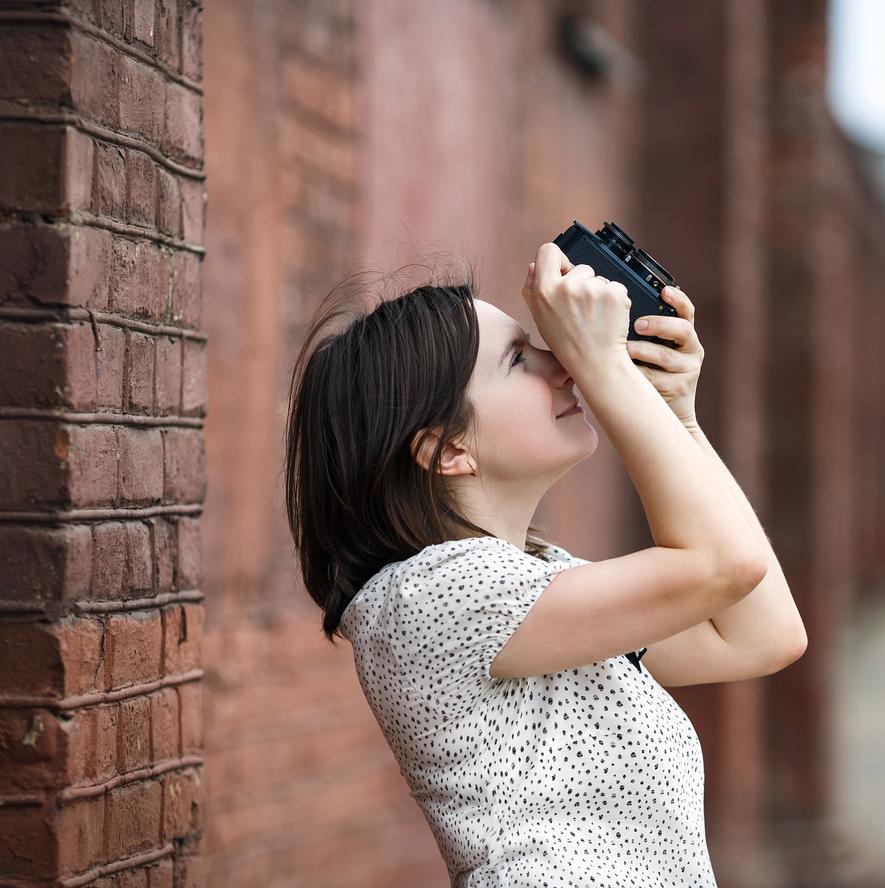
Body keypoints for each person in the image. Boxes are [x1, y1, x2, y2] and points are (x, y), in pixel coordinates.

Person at [283, 242, 807, 886]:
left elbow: (762, 634)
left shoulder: (539, 582)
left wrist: (678, 418)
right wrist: (607, 367)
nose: (564, 366)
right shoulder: (428, 597)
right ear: (446, 449)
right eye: (520, 360)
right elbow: (725, 565)